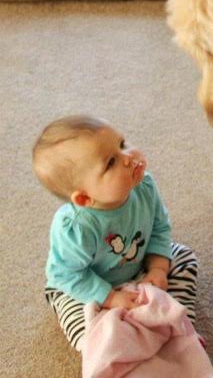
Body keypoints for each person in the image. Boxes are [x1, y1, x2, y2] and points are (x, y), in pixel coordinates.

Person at [33, 114, 198, 351]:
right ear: (84, 198)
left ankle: (180, 326)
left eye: (122, 144)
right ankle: (118, 348)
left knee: (183, 257)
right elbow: (64, 275)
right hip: (86, 286)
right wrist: (109, 298)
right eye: (111, 162)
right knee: (89, 333)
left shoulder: (144, 186)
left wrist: (158, 268)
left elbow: (159, 227)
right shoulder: (76, 228)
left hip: (139, 269)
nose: (128, 157)